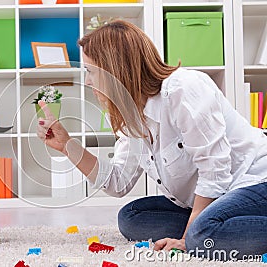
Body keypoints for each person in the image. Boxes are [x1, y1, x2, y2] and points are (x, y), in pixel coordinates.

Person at [37, 20, 267, 260]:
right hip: (214, 198)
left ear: (115, 69)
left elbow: (215, 170)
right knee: (132, 217)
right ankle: (215, 226)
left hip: (254, 181)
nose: (87, 82)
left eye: (91, 71)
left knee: (200, 238)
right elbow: (118, 182)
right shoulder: (131, 113)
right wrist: (67, 146)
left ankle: (204, 230)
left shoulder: (183, 89)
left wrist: (187, 239)